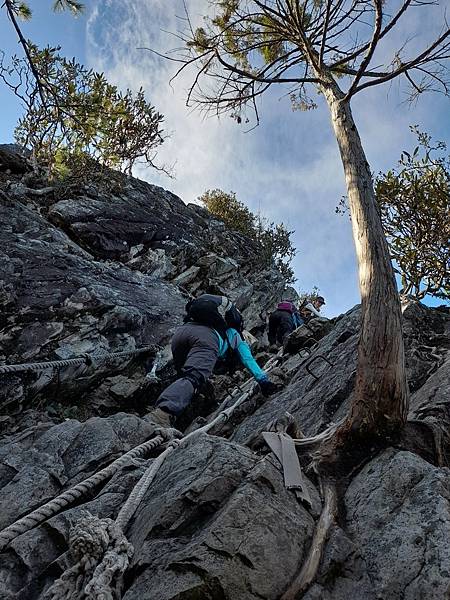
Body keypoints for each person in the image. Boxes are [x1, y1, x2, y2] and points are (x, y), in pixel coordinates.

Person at [148, 294, 278, 428]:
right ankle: (162, 414)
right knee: (194, 377)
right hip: (206, 338)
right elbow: (247, 359)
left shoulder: (210, 320)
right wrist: (263, 381)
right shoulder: (236, 335)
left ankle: (166, 411)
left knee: (183, 377)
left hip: (181, 333)